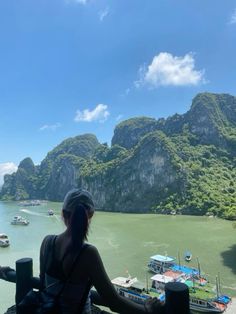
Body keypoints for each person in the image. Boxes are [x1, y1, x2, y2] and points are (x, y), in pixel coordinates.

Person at [39, 188, 164, 314]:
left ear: (63, 214)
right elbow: (113, 301)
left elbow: (43, 284)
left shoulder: (47, 242)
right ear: (90, 215)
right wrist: (147, 310)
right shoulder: (88, 253)